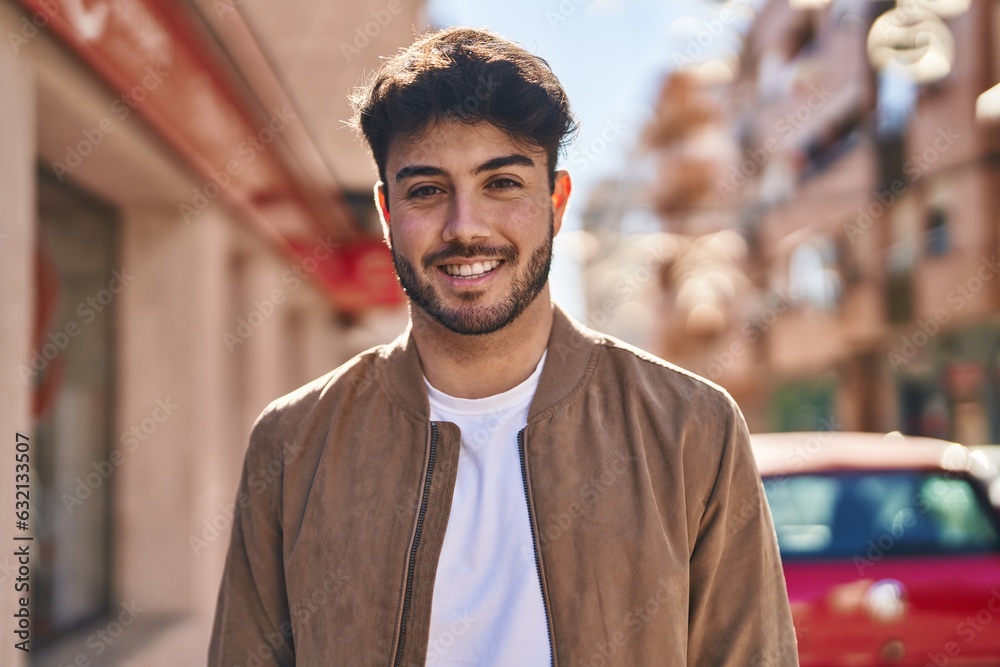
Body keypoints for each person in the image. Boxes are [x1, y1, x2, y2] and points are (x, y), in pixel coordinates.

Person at [209, 26, 798, 667]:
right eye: (427, 190)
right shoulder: (295, 443)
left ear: (556, 201)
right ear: (386, 212)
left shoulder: (691, 428)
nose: (465, 228)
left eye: (503, 184)